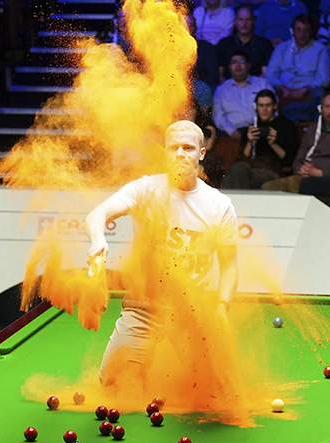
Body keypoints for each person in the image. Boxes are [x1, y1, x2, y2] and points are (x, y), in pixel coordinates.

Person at [85, 121, 239, 386]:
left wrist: (222, 308)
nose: (181, 153)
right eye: (174, 148)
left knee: (214, 392)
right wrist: (98, 238)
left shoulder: (220, 206)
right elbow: (98, 214)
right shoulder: (146, 189)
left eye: (188, 148)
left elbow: (230, 266)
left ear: (201, 153)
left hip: (192, 312)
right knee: (113, 384)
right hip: (144, 307)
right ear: (165, 152)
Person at [262, 89, 330, 193]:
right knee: (267, 187)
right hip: (304, 176)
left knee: (294, 182)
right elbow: (298, 158)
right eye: (327, 107)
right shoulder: (312, 129)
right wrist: (300, 169)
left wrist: (320, 173)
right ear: (321, 108)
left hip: (328, 179)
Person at [221, 89, 298, 188]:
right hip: (248, 169)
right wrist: (249, 142)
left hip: (272, 171)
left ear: (275, 106)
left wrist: (273, 144)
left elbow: (289, 159)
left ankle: (234, 202)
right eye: (261, 105)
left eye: (268, 105)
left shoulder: (286, 126)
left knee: (235, 173)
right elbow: (241, 159)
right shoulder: (252, 127)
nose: (264, 109)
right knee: (234, 172)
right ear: (256, 107)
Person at [266, 14, 330, 121]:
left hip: (307, 90)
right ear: (293, 31)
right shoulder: (281, 48)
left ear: (311, 32)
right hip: (283, 88)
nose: (302, 34)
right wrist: (282, 87)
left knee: (319, 93)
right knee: (267, 90)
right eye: (298, 30)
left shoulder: (321, 49)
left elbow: (324, 78)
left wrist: (305, 88)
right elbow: (270, 74)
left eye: (306, 30)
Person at [212, 51, 275, 137]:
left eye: (241, 61)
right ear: (229, 67)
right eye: (233, 62)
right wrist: (232, 132)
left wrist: (263, 128)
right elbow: (217, 115)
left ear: (248, 65)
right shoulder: (221, 89)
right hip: (231, 132)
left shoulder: (263, 84)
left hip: (260, 129)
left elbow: (274, 107)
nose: (238, 65)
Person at [216, 6, 274, 80]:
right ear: (235, 22)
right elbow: (220, 75)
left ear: (254, 21)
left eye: (248, 20)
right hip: (229, 87)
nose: (244, 23)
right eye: (241, 20)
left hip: (256, 86)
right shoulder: (224, 44)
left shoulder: (264, 44)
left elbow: (264, 74)